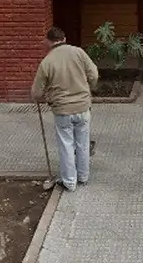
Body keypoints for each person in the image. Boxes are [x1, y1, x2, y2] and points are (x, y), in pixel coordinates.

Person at [31, 26, 99, 192]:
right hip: (83, 106)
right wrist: (89, 89)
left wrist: (40, 97)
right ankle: (83, 176)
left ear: (48, 41)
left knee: (66, 145)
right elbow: (94, 74)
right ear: (64, 39)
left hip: (62, 110)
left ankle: (69, 182)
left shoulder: (47, 61)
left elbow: (36, 92)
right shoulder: (79, 53)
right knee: (83, 143)